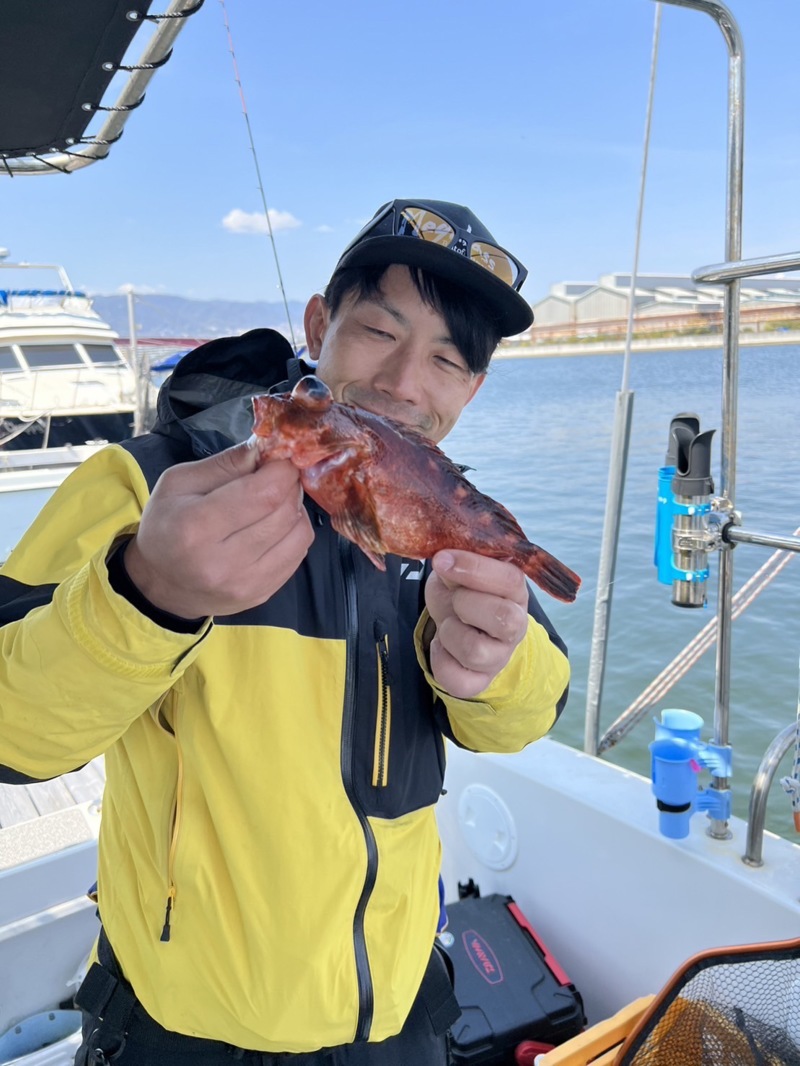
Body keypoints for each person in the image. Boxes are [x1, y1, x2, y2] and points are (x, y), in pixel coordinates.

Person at [0, 199, 571, 1065]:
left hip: (400, 1010)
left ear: (473, 388)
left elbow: (523, 717)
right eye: (380, 330)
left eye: (449, 361)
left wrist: (495, 666)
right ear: (319, 322)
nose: (407, 383)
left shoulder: (438, 513)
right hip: (181, 1024)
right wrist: (147, 594)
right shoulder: (145, 481)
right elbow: (14, 735)